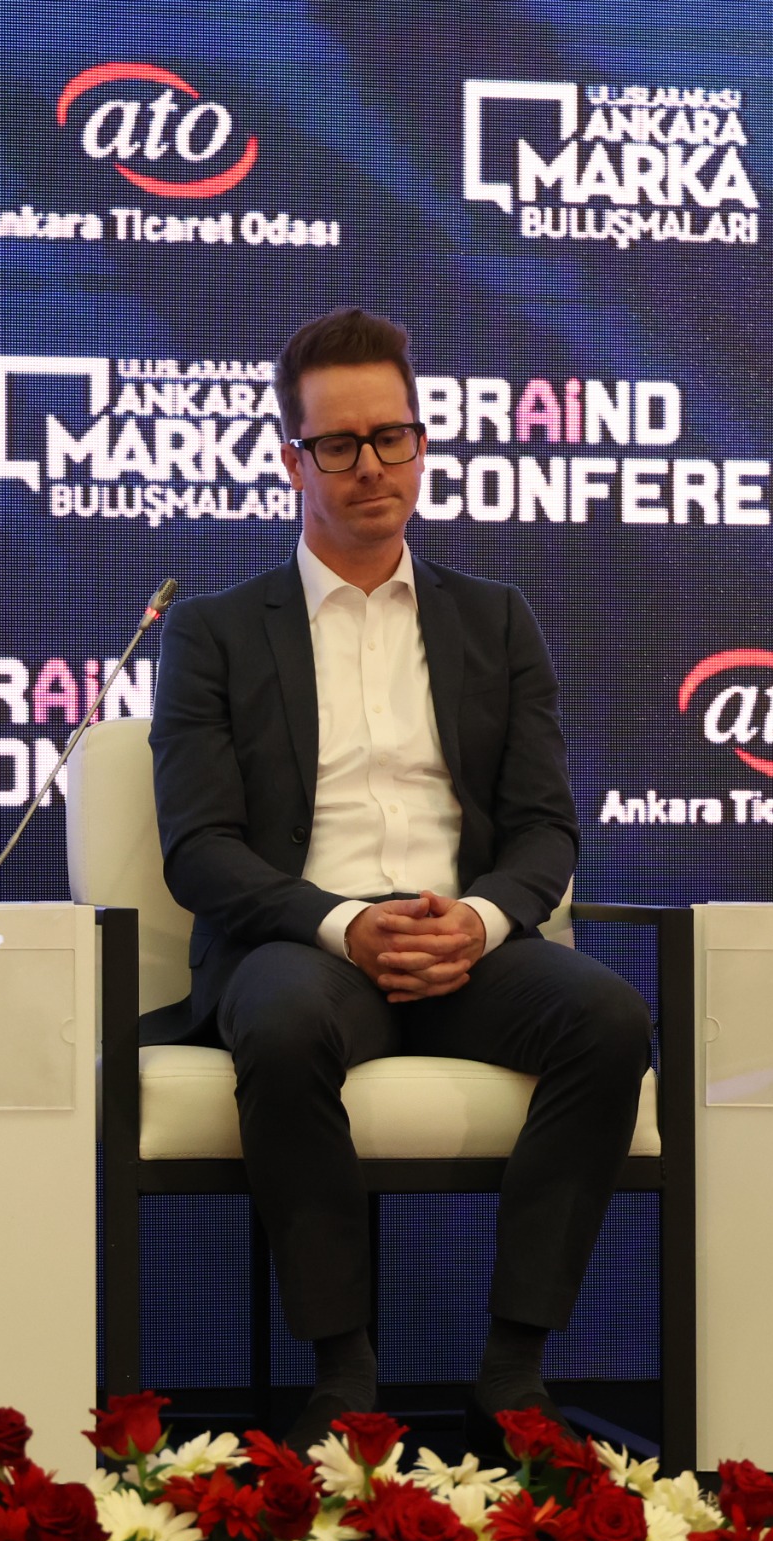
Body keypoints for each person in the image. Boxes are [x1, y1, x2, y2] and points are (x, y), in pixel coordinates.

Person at [148, 307, 652, 1452]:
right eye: (339, 443)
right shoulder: (217, 632)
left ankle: (514, 1369)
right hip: (305, 945)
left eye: (392, 436)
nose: (370, 465)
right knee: (277, 1022)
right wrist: (343, 925)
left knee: (610, 1017)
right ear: (293, 460)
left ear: (421, 444)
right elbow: (200, 848)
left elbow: (545, 827)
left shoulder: (495, 618)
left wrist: (476, 920)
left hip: (464, 941)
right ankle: (343, 1372)